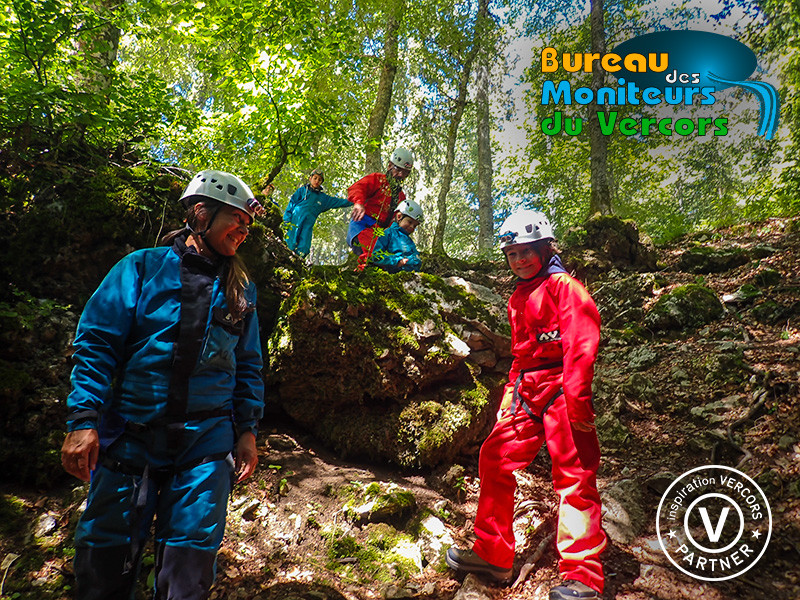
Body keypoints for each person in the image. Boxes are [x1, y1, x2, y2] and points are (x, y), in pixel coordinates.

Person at [60, 169, 267, 600]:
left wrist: (247, 430)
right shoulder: (141, 268)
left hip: (205, 446)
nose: (243, 232)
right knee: (103, 563)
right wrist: (83, 420)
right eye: (237, 220)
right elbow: (97, 344)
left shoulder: (241, 289)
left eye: (248, 226)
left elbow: (248, 364)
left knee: (190, 569)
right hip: (131, 439)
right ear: (201, 214)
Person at [445, 209, 606, 600]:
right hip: (527, 390)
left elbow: (581, 346)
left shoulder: (565, 288)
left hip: (563, 387)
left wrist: (578, 402)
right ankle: (493, 553)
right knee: (494, 457)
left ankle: (584, 575)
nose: (519, 260)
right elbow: (520, 356)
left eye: (526, 251)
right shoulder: (518, 297)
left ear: (545, 249)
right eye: (512, 254)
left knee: (574, 474)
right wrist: (509, 398)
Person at [347, 146, 414, 271]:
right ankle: (363, 270)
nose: (401, 175)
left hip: (381, 233)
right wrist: (359, 203)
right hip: (362, 227)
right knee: (374, 250)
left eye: (405, 173)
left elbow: (397, 220)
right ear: (390, 166)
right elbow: (358, 188)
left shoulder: (401, 196)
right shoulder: (377, 179)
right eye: (398, 170)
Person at [283, 168, 349, 257]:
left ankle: (298, 259)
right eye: (315, 178)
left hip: (308, 223)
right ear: (310, 178)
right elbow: (291, 204)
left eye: (319, 180)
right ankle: (285, 256)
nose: (317, 181)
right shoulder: (302, 190)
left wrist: (356, 200)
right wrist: (286, 219)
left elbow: (338, 202)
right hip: (296, 219)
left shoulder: (323, 198)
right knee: (291, 240)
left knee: (304, 244)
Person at [369, 198, 423, 273]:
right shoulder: (389, 233)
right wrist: (397, 261)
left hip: (411, 275)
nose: (411, 227)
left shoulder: (409, 240)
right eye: (410, 222)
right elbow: (376, 256)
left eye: (414, 226)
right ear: (399, 217)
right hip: (395, 274)